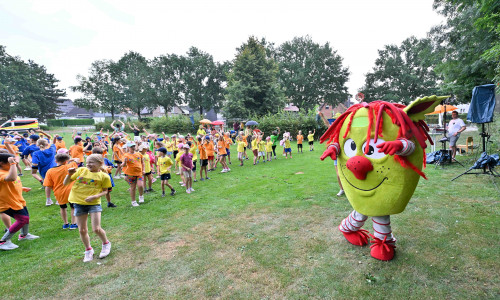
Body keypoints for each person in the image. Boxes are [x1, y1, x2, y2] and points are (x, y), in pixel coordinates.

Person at [64, 154, 112, 262]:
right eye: (87, 162)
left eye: (91, 162)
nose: (88, 164)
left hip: (94, 203)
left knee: (96, 228)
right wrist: (69, 174)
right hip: (78, 203)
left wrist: (95, 196)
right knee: (82, 230)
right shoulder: (81, 170)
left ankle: (106, 244)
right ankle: (88, 250)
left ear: (100, 163)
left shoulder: (104, 176)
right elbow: (65, 183)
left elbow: (105, 191)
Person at [0, 153, 38, 251]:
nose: (15, 162)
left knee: (26, 218)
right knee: (22, 219)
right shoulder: (1, 173)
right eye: (11, 161)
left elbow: (13, 183)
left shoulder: (9, 170)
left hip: (17, 200)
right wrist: (13, 164)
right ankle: (3, 241)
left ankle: (24, 235)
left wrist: (22, 188)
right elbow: (11, 178)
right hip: (7, 203)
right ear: (2, 163)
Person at [43, 153, 79, 229]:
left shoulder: (50, 171)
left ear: (55, 161)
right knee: (73, 207)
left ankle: (65, 224)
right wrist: (71, 160)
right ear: (66, 161)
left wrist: (48, 198)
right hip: (71, 191)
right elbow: (77, 160)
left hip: (59, 192)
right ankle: (73, 223)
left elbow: (48, 185)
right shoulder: (70, 166)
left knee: (62, 207)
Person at [121, 142, 145, 207]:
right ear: (128, 147)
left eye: (134, 146)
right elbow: (123, 165)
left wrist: (143, 170)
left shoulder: (139, 154)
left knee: (140, 185)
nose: (133, 147)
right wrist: (125, 162)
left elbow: (142, 162)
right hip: (130, 174)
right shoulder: (126, 155)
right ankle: (133, 201)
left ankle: (141, 196)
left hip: (139, 173)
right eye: (131, 146)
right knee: (133, 187)